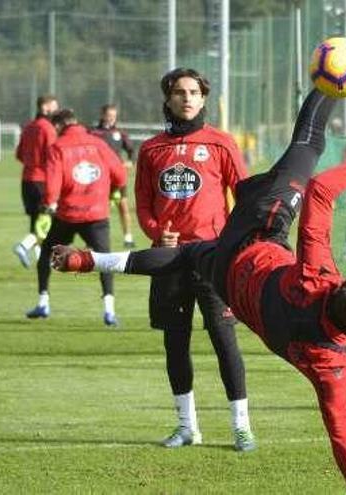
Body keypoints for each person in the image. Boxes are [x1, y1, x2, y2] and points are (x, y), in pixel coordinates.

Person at [52, 18, 346, 494]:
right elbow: (344, 439)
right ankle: (85, 264)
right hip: (227, 267)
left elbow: (324, 189)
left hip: (257, 230)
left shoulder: (317, 276)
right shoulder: (334, 367)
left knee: (309, 143)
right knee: (185, 258)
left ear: (339, 283)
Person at [133, 67, 253, 451]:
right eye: (179, 92)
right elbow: (143, 203)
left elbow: (245, 197)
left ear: (203, 99)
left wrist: (232, 241)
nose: (187, 98)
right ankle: (187, 426)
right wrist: (155, 230)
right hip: (168, 260)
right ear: (168, 99)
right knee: (175, 343)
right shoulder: (151, 149)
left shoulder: (221, 143)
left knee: (224, 341)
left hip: (212, 259)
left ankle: (241, 426)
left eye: (194, 93)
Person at [25, 109, 126, 326]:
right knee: (105, 261)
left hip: (68, 214)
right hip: (97, 214)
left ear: (59, 126)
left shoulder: (58, 147)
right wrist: (114, 190)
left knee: (47, 253)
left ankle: (43, 301)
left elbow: (53, 183)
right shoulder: (98, 143)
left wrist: (48, 204)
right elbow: (120, 174)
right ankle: (109, 311)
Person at [13, 94, 59, 268]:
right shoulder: (48, 129)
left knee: (36, 221)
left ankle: (42, 260)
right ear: (46, 108)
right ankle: (23, 245)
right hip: (42, 181)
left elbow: (19, 154)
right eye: (55, 107)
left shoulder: (28, 127)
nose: (57, 110)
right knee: (49, 221)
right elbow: (53, 156)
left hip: (27, 180)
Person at [90, 104, 136, 248]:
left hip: (117, 177)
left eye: (114, 116)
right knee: (99, 209)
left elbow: (132, 151)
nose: (111, 118)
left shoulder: (120, 133)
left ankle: (128, 237)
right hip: (100, 178)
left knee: (123, 206)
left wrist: (130, 162)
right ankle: (95, 239)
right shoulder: (93, 133)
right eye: (109, 115)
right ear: (102, 115)